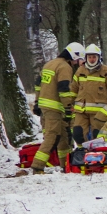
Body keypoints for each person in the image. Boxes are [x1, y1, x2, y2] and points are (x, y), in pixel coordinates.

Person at [30, 42, 85, 173]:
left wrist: (37, 102)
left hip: (46, 106)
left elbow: (38, 85)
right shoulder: (65, 67)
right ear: (74, 55)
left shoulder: (49, 64)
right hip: (55, 107)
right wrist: (67, 108)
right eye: (78, 60)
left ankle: (65, 165)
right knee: (52, 136)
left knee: (64, 137)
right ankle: (37, 166)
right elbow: (64, 89)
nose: (77, 63)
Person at [70, 44, 107, 144]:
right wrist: (69, 104)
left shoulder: (106, 71)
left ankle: (97, 155)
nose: (92, 59)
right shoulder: (80, 70)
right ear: (86, 58)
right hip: (81, 111)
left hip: (99, 113)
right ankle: (82, 152)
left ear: (98, 57)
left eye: (94, 57)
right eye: (89, 57)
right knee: (77, 134)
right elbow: (73, 88)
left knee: (98, 137)